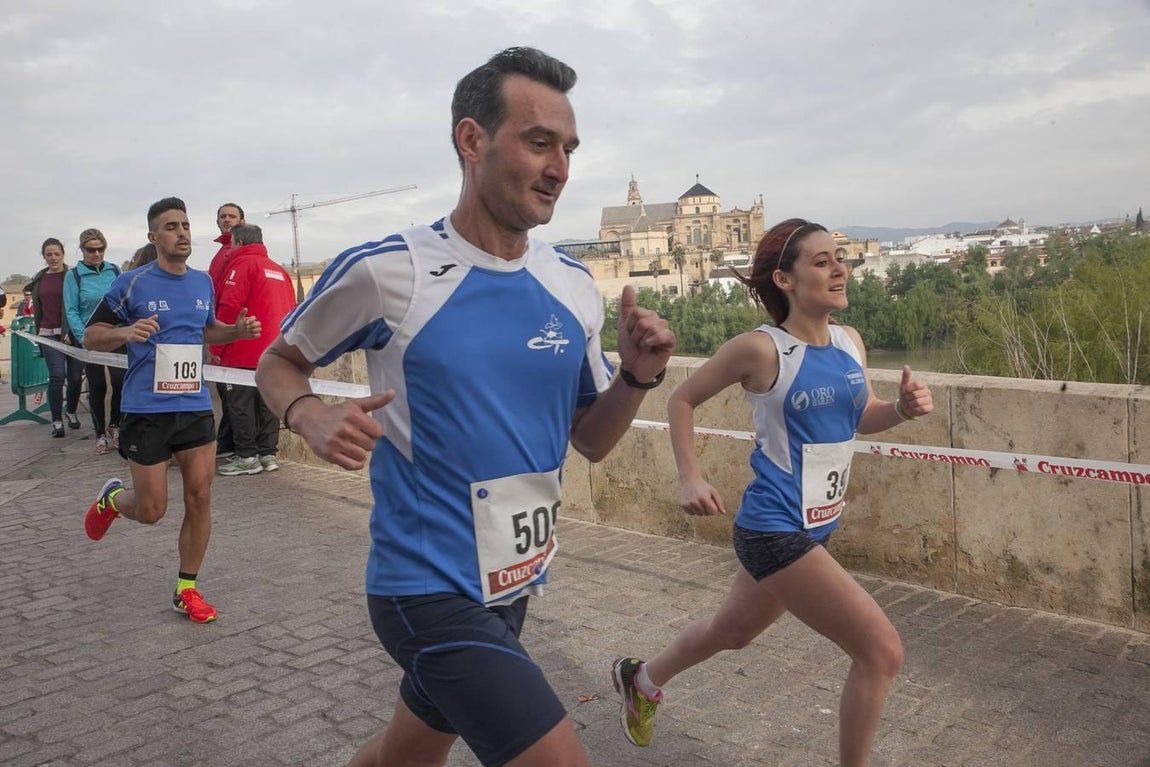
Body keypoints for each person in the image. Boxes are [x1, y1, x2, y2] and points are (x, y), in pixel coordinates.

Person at [255, 47, 675, 767]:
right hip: (423, 587)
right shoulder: (390, 270)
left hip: (513, 584)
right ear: (471, 140)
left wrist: (634, 380)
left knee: (404, 754)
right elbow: (278, 361)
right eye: (539, 142)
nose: (560, 168)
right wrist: (308, 413)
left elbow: (591, 439)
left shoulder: (572, 286)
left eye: (568, 149)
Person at [610, 218, 934, 766]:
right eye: (822, 261)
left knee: (731, 631)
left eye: (841, 258)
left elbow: (859, 418)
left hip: (816, 527)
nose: (840, 269)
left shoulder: (850, 343)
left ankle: (641, 679)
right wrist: (690, 476)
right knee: (881, 653)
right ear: (785, 279)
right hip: (774, 530)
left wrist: (900, 409)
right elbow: (681, 400)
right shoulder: (762, 350)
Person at [82, 197, 261, 624]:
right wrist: (127, 331)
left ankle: (187, 589)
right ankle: (110, 501)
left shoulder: (202, 283)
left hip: (195, 405)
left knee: (200, 496)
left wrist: (234, 330)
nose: (182, 233)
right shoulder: (132, 283)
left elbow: (208, 329)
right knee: (151, 511)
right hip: (147, 410)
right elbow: (91, 336)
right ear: (153, 237)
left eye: (185, 225)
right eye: (171, 227)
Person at [214, 223, 296, 475]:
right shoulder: (279, 270)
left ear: (238, 243)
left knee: (240, 405)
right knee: (268, 404)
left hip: (243, 348)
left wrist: (217, 345)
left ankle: (247, 457)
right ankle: (268, 454)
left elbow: (229, 307)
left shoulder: (241, 266)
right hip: (275, 351)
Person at [64, 228, 125, 454]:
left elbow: (123, 302)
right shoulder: (74, 276)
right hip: (91, 338)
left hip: (116, 335)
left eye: (101, 249)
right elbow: (71, 311)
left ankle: (115, 425)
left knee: (120, 382)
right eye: (91, 250)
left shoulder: (114, 271)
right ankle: (99, 433)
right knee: (97, 386)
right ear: (82, 250)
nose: (97, 254)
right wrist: (83, 338)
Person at [29, 238, 83, 437]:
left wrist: (71, 329)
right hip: (48, 333)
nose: (53, 258)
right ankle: (57, 420)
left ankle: (70, 410)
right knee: (57, 376)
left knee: (76, 377)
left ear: (63, 254)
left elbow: (78, 305)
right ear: (44, 256)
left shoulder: (73, 276)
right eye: (48, 254)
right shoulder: (39, 278)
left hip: (72, 333)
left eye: (56, 254)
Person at [208, 202, 245, 462]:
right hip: (221, 329)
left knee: (234, 393)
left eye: (232, 216)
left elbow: (230, 301)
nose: (227, 219)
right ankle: (227, 443)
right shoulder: (222, 251)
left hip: (232, 333)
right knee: (226, 391)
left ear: (242, 221)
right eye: (223, 216)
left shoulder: (235, 252)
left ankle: (233, 446)